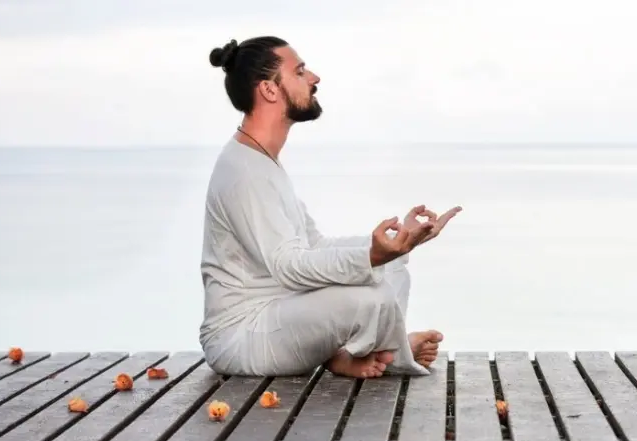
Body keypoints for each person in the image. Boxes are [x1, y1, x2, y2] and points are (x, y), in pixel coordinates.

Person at [198, 36, 461, 379]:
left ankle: (358, 353)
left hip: (281, 315)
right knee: (372, 298)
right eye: (301, 71)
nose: (314, 78)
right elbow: (289, 266)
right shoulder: (243, 172)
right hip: (242, 336)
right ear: (269, 90)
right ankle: (389, 352)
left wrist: (397, 244)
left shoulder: (263, 163)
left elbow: (315, 246)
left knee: (394, 268)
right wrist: (370, 257)